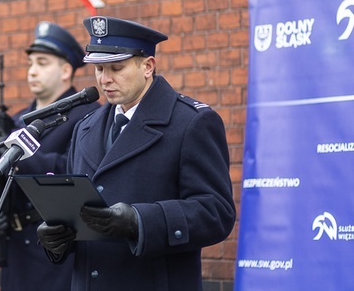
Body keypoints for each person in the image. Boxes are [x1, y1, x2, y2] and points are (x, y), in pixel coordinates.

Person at [36, 16, 235, 290]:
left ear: (148, 66)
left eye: (116, 68)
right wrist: (56, 239)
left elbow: (216, 212)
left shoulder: (190, 123)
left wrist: (139, 221)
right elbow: (78, 207)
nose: (105, 79)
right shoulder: (85, 127)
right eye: (99, 69)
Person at [0, 21, 100, 291]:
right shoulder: (18, 120)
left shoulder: (87, 116)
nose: (32, 71)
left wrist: (20, 155)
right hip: (16, 252)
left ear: (66, 70)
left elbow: (77, 170)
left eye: (42, 63)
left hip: (55, 250)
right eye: (30, 63)